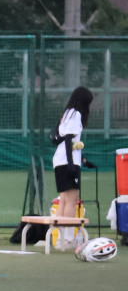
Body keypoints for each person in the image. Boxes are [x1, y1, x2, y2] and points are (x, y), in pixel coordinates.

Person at [52, 86, 94, 250]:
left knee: (63, 199)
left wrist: (81, 159)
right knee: (71, 200)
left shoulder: (67, 113)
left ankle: (61, 239)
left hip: (60, 160)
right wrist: (71, 163)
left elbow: (67, 140)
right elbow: (69, 139)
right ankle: (68, 239)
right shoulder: (76, 114)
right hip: (66, 161)